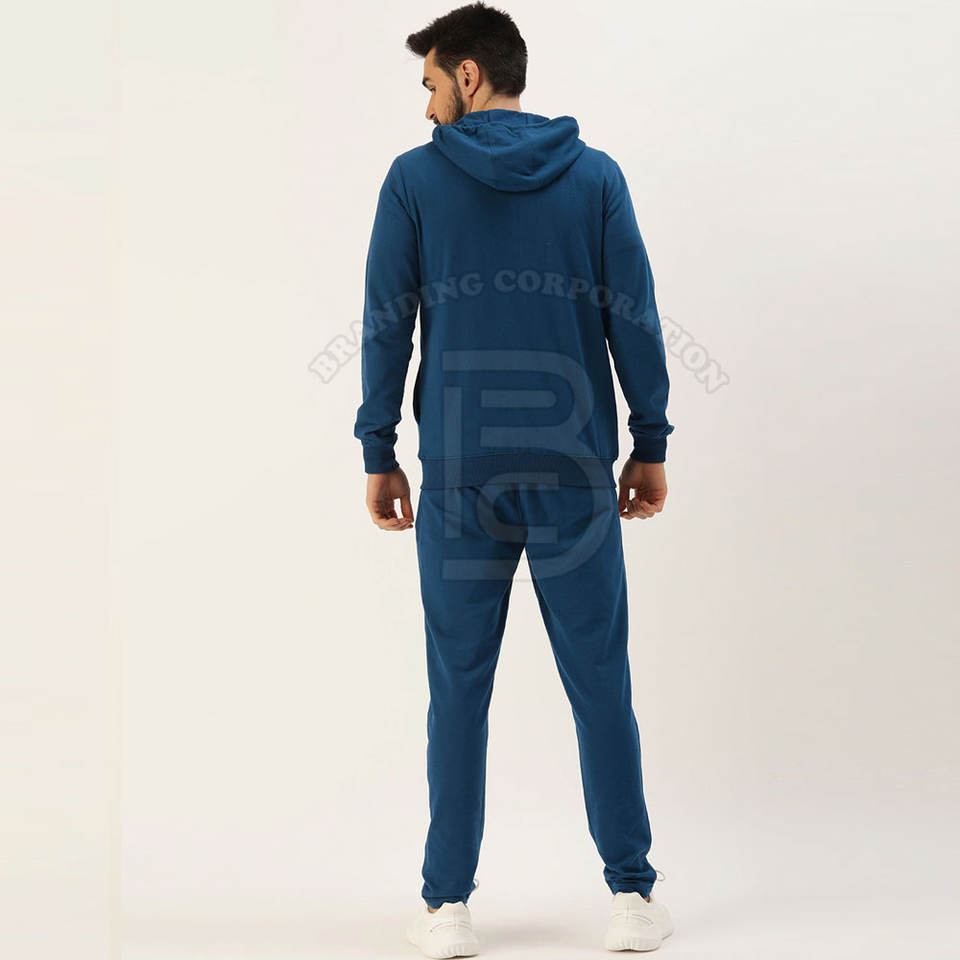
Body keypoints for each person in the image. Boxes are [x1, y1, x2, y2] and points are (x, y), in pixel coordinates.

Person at [353, 3, 676, 954]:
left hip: (459, 477)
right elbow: (635, 315)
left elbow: (385, 322)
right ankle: (631, 896)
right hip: (574, 471)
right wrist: (649, 440)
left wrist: (379, 450)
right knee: (600, 683)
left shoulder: (414, 181)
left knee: (457, 687)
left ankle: (446, 906)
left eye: (429, 84)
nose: (425, 108)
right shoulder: (595, 176)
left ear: (467, 74)